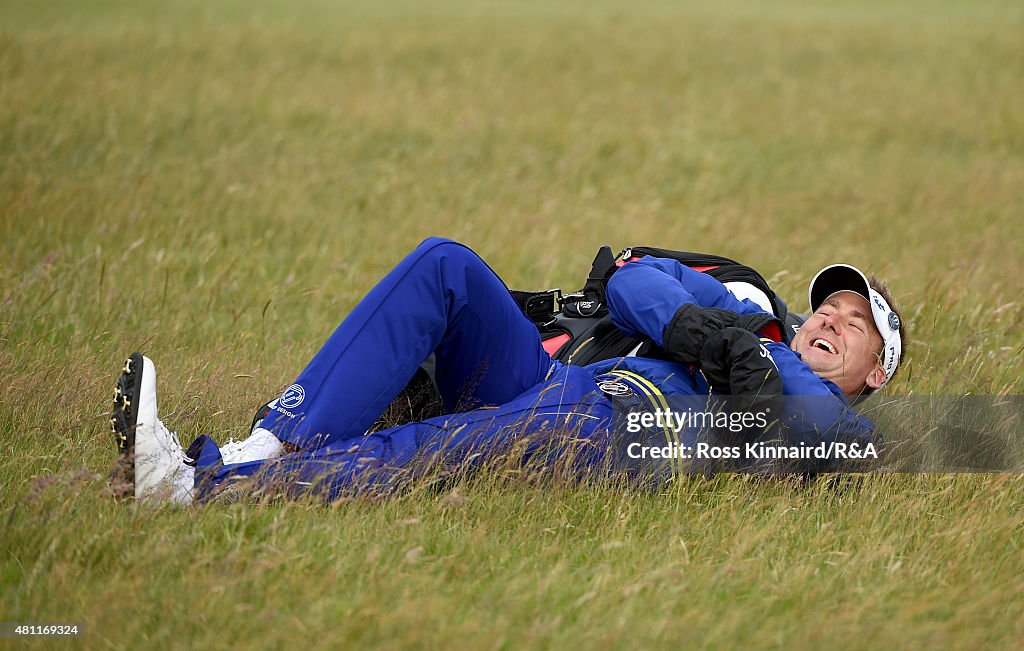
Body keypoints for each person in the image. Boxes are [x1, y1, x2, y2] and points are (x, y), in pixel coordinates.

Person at [108, 237, 905, 504]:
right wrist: (704, 331)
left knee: (430, 446)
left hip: (621, 433)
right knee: (446, 264)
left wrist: (759, 394)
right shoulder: (750, 320)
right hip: (562, 383)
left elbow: (839, 451)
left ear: (875, 373)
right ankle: (263, 448)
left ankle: (188, 487)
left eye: (858, 322)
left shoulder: (848, 424)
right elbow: (632, 276)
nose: (833, 318)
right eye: (829, 307)